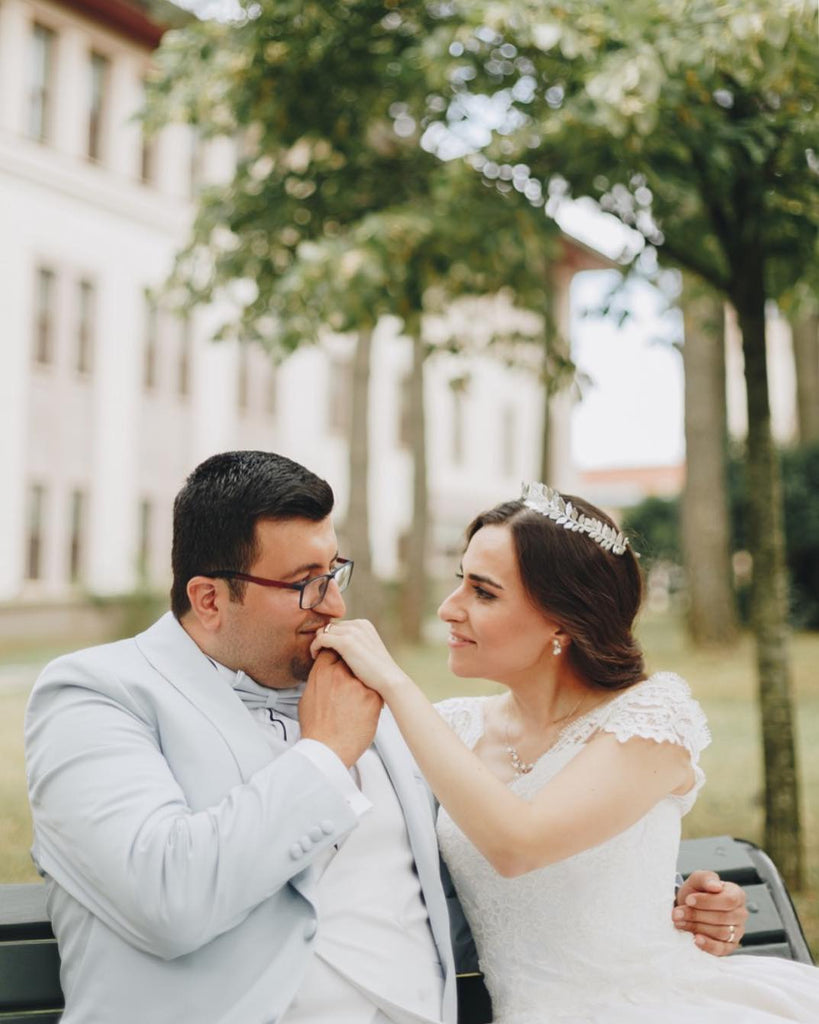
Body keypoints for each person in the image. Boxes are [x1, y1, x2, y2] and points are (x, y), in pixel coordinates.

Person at [25, 454, 743, 1024]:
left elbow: (481, 881)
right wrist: (324, 755)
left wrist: (670, 902)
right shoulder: (96, 694)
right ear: (210, 597)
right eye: (305, 582)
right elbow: (166, 899)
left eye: (333, 572)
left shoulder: (392, 711)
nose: (335, 604)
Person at [313, 482, 819, 1024]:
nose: (447, 609)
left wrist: (394, 682)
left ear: (563, 618)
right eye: (461, 581)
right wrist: (680, 894)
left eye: (483, 592)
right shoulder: (452, 728)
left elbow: (520, 845)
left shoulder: (650, 720)